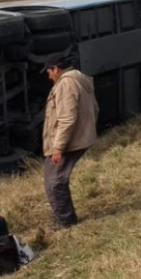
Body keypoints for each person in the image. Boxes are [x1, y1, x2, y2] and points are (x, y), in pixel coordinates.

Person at [41, 53, 99, 229]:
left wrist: (58, 147)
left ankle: (65, 222)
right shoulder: (80, 79)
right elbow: (95, 108)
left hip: (69, 141)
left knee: (54, 181)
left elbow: (66, 118)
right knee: (55, 180)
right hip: (79, 137)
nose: (48, 76)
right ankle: (64, 218)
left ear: (56, 69)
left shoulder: (66, 84)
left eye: (49, 71)